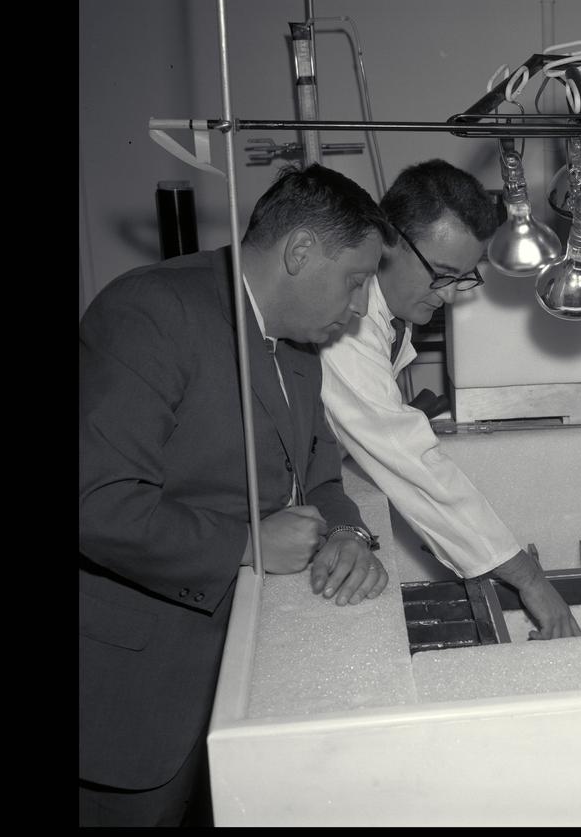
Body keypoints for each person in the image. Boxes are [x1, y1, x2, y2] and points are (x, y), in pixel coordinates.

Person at [79, 163, 399, 826]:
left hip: (237, 678)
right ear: (301, 251)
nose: (363, 305)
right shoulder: (153, 311)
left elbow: (319, 477)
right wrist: (250, 543)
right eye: (357, 280)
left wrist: (350, 533)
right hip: (135, 695)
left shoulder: (297, 346)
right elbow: (97, 504)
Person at [319, 160, 581, 639]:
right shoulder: (345, 327)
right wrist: (528, 578)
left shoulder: (391, 317)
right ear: (387, 241)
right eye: (442, 274)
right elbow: (407, 456)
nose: (453, 297)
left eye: (463, 278)